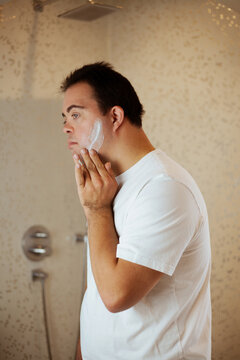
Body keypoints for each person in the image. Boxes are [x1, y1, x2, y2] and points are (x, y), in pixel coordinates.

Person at [60, 62, 212, 360]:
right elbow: (98, 289)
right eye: (64, 118)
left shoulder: (164, 187)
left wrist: (96, 211)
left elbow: (116, 296)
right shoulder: (109, 185)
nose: (66, 126)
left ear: (115, 116)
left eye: (76, 114)